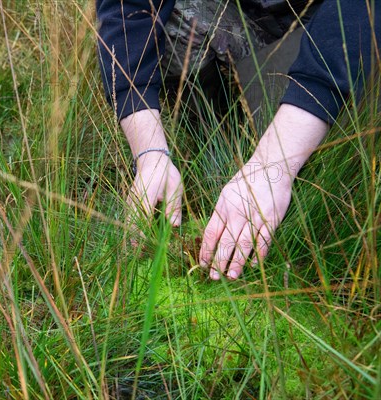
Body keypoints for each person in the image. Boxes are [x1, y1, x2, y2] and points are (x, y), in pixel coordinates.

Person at [96, 0, 380, 280]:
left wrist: (272, 165)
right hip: (254, 24)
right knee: (177, 16)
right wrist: (150, 154)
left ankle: (293, 150)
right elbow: (125, 8)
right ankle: (223, 148)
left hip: (343, 31)